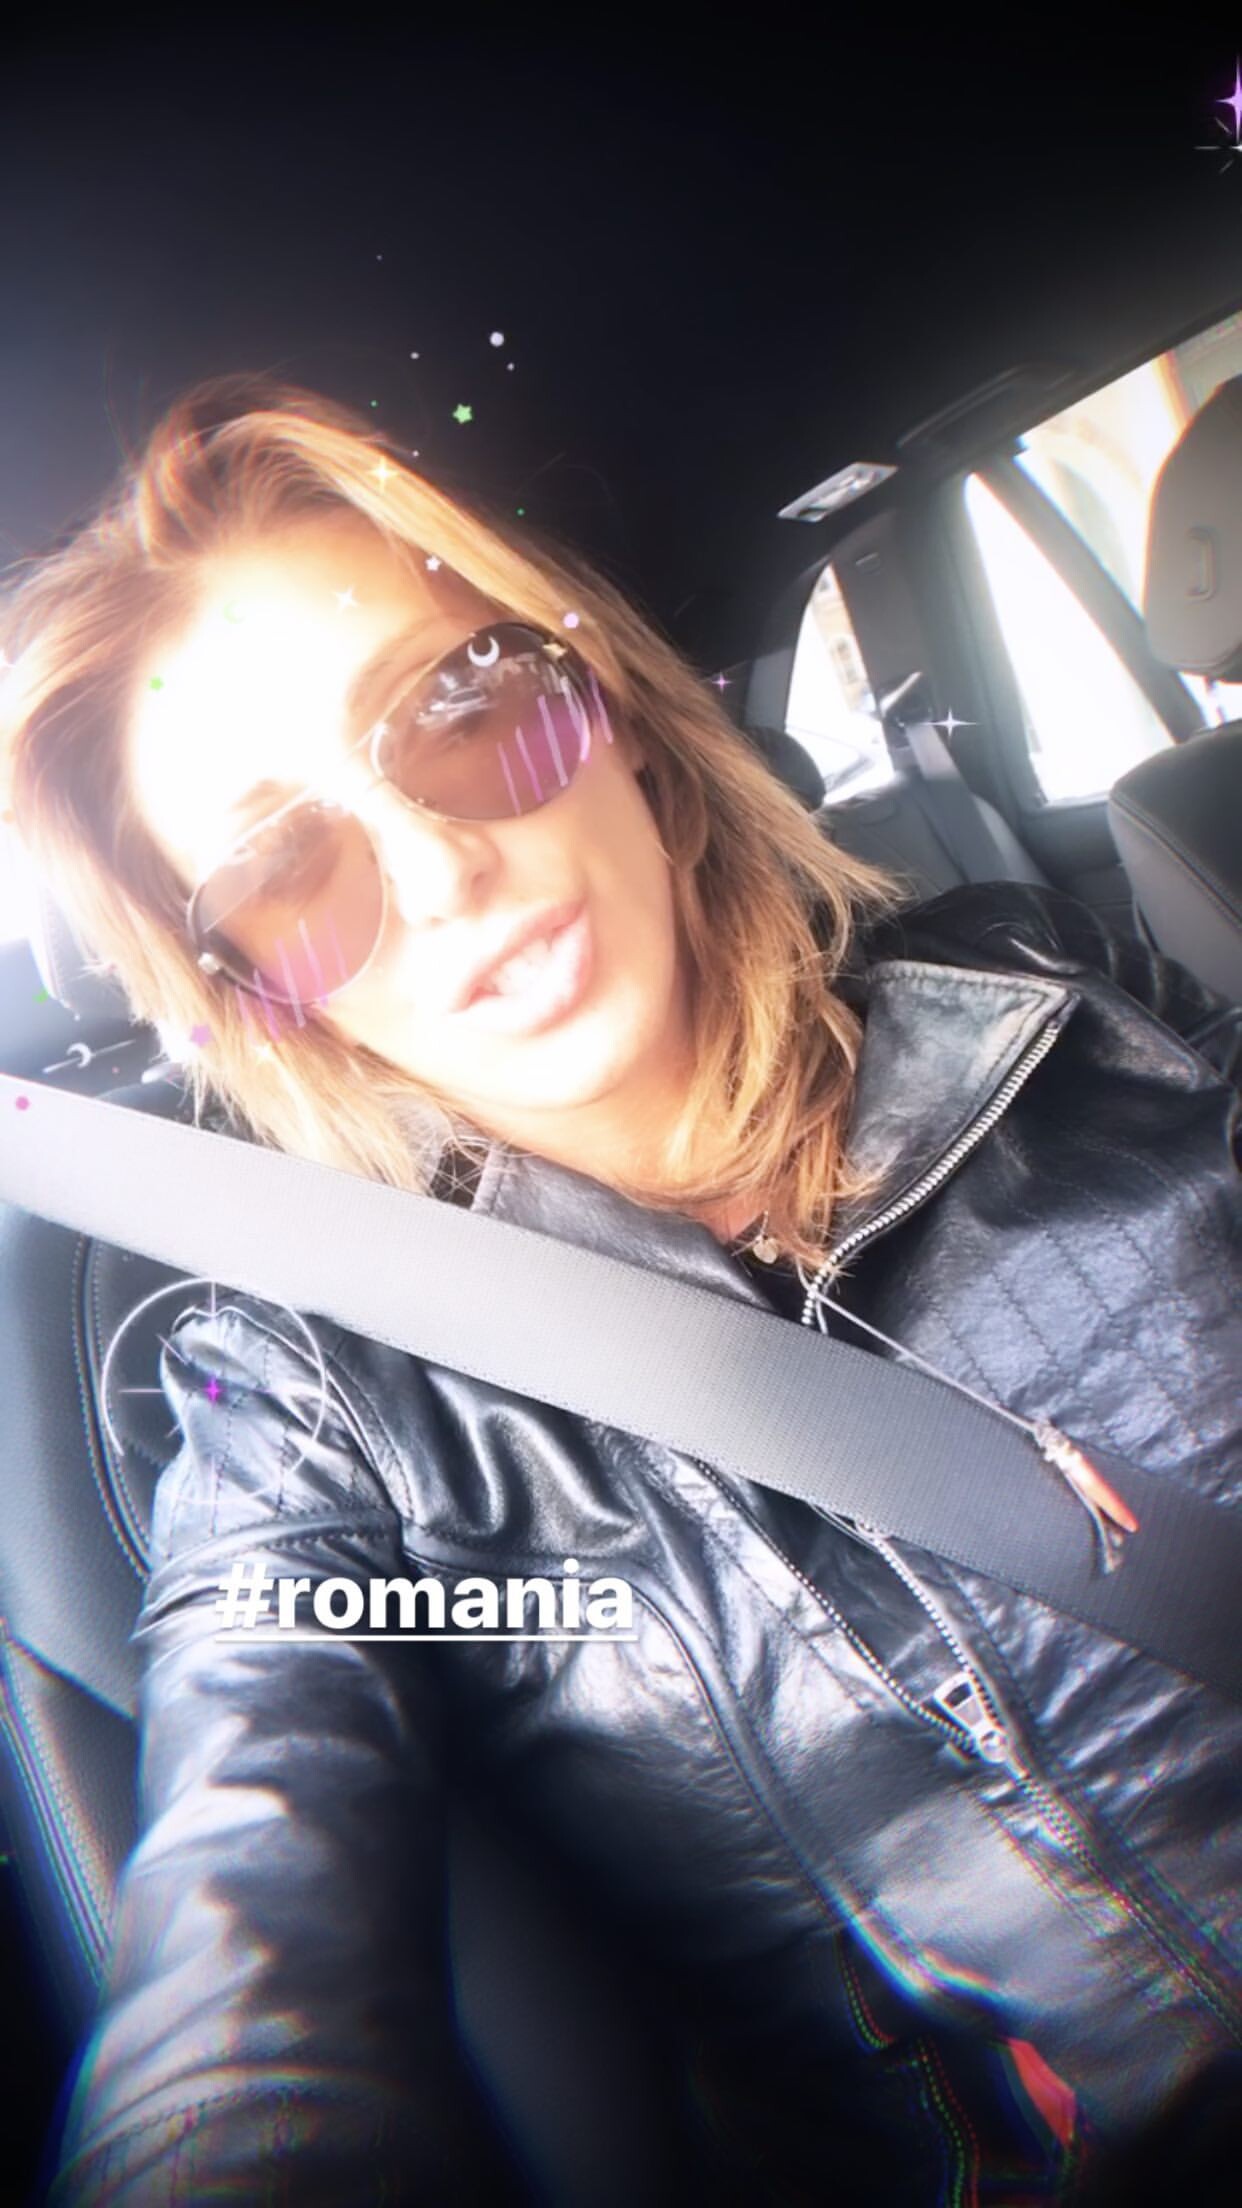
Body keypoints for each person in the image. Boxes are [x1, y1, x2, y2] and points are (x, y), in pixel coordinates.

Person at [1, 374, 1238, 2206]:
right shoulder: (315, 1409)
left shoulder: (1063, 998)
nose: (439, 873)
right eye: (287, 868)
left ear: (614, 711)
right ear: (261, 996)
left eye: (462, 709)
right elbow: (249, 1920)